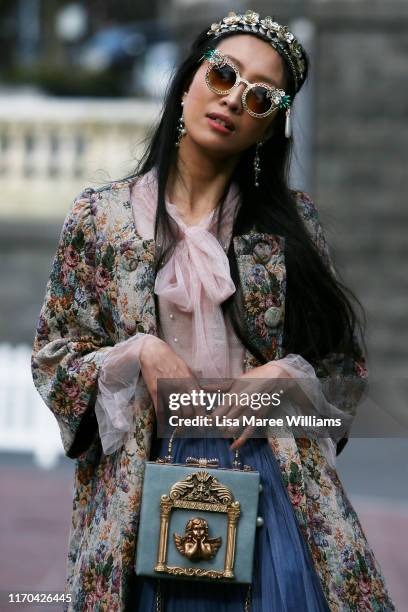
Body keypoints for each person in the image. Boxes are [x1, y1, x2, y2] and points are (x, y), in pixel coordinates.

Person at [31, 9, 395, 612]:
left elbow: (344, 372)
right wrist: (137, 352)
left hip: (273, 490)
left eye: (259, 97)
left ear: (269, 128)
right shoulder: (101, 218)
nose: (232, 100)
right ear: (188, 78)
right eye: (222, 74)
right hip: (139, 492)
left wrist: (287, 375)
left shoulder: (291, 228)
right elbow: (52, 358)